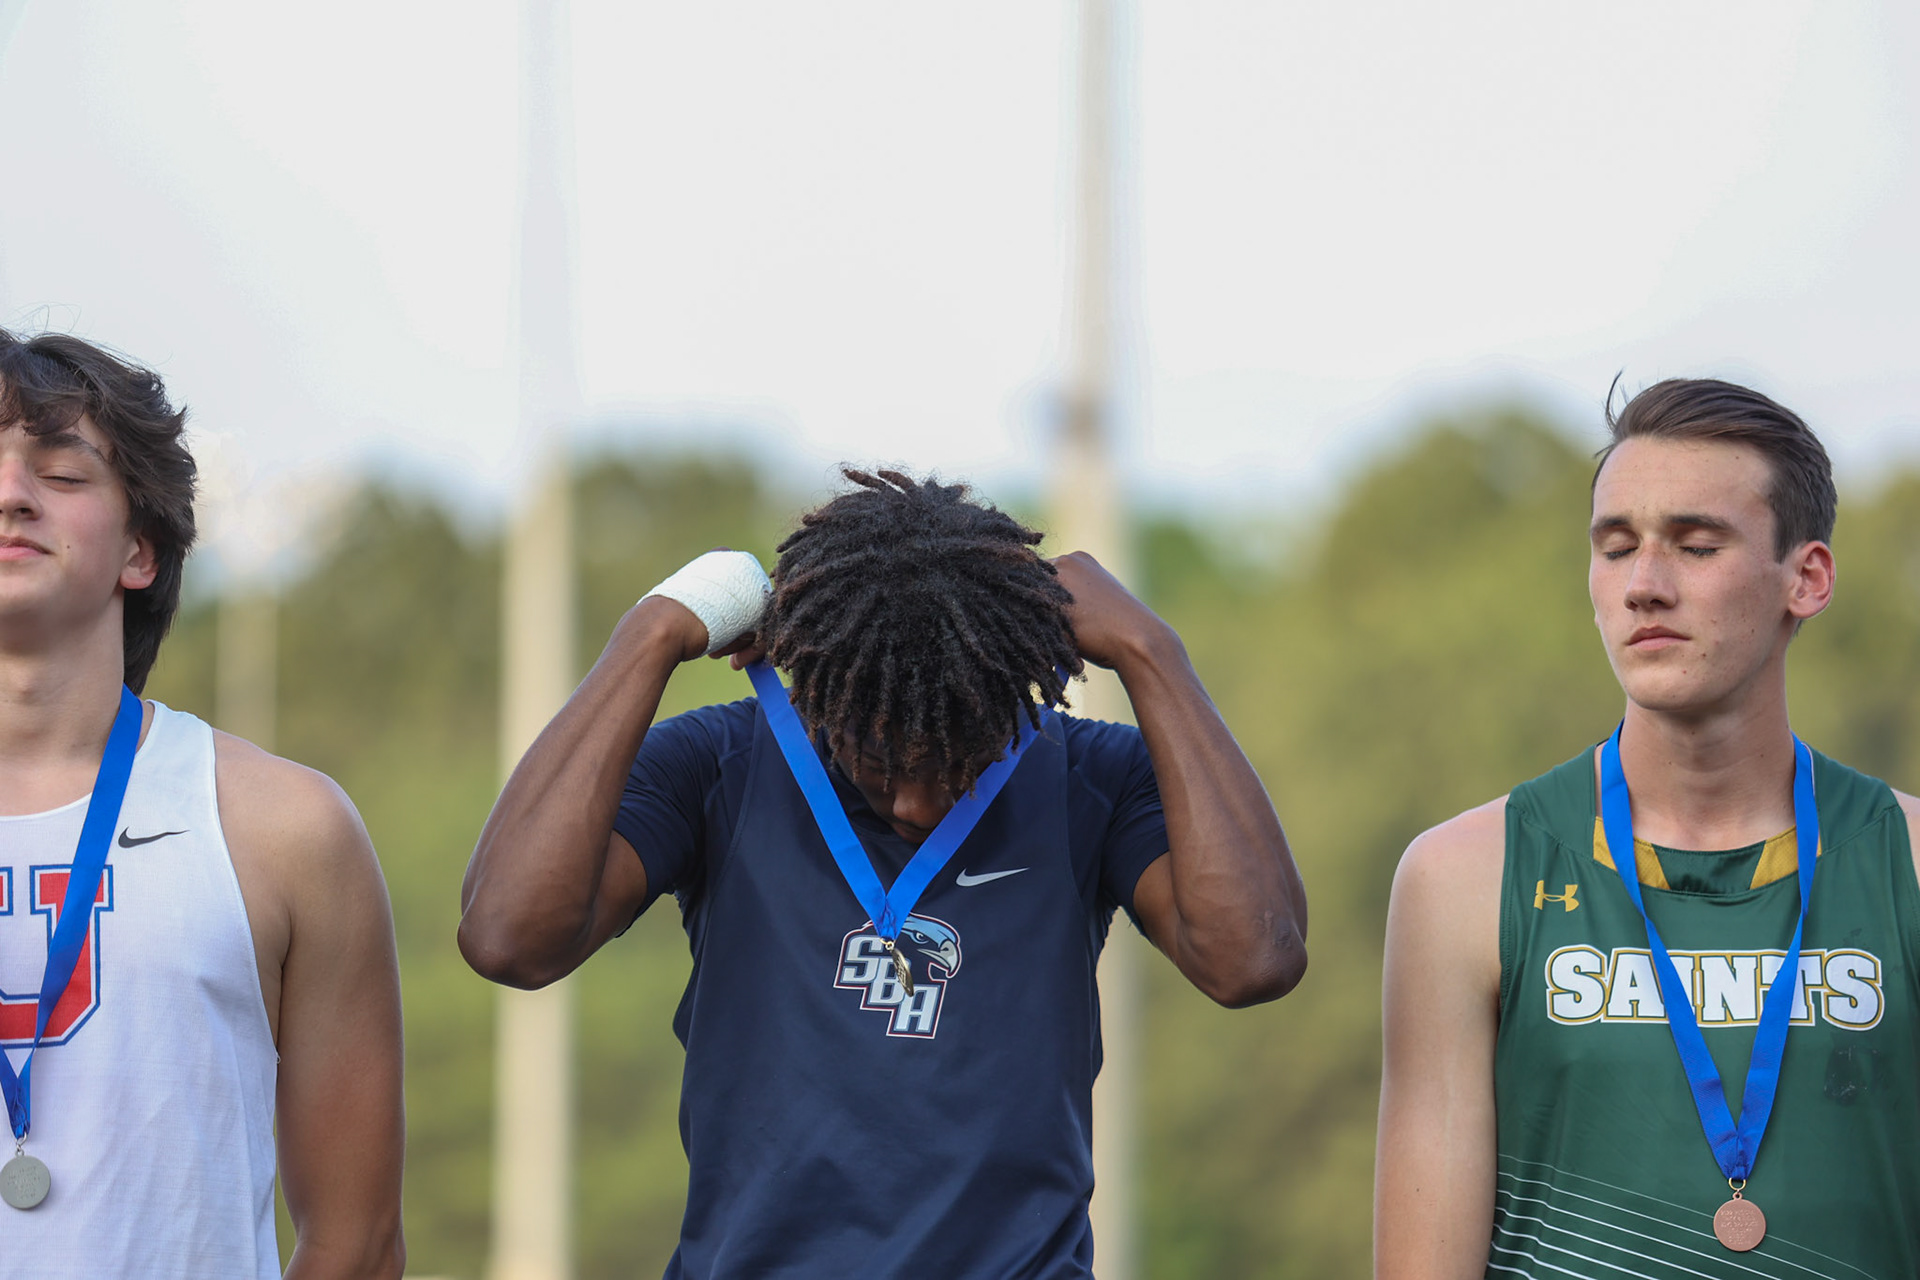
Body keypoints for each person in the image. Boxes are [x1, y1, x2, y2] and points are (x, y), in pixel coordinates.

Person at [461, 468, 1308, 1278]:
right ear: (815, 693)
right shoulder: (720, 763)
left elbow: (1252, 959)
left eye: (957, 760)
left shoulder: (1092, 775)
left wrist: (1153, 653)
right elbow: (508, 938)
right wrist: (650, 634)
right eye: (877, 759)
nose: (915, 803)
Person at [1374, 379, 1920, 1279]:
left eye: (1696, 546)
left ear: (1807, 578)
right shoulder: (1465, 876)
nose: (1644, 587)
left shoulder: (1905, 862)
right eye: (1617, 547)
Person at [0, 330, 405, 1278]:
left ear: (140, 551)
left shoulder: (287, 829)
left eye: (60, 473)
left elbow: (357, 1241)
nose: (10, 494)